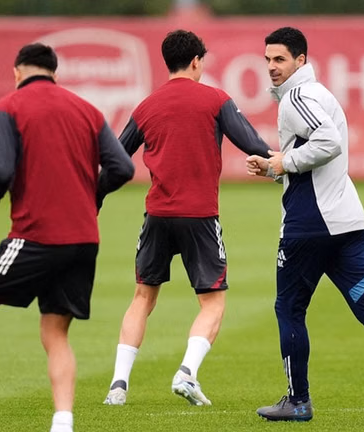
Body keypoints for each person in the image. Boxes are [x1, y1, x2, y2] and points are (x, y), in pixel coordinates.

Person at [0, 43, 135, 432]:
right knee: (55, 333)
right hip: (83, 240)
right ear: (55, 73)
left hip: (36, 237)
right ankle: (63, 423)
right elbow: (122, 167)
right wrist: (92, 196)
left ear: (17, 72)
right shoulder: (87, 110)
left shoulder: (9, 107)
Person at [246, 27, 364, 422]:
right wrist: (275, 168)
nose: (271, 67)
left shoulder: (296, 98)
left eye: (280, 59)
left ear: (301, 60)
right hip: (347, 222)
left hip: (310, 226)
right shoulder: (320, 94)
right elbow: (316, 161)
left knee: (289, 308)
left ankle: (298, 401)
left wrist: (285, 162)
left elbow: (327, 143)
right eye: (268, 59)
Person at [101, 29, 273, 407]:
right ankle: (187, 373)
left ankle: (118, 385)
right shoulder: (215, 99)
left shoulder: (146, 106)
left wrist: (94, 197)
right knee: (212, 303)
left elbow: (116, 158)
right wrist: (282, 163)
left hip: (157, 215)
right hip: (200, 216)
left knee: (142, 297)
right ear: (196, 61)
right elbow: (251, 143)